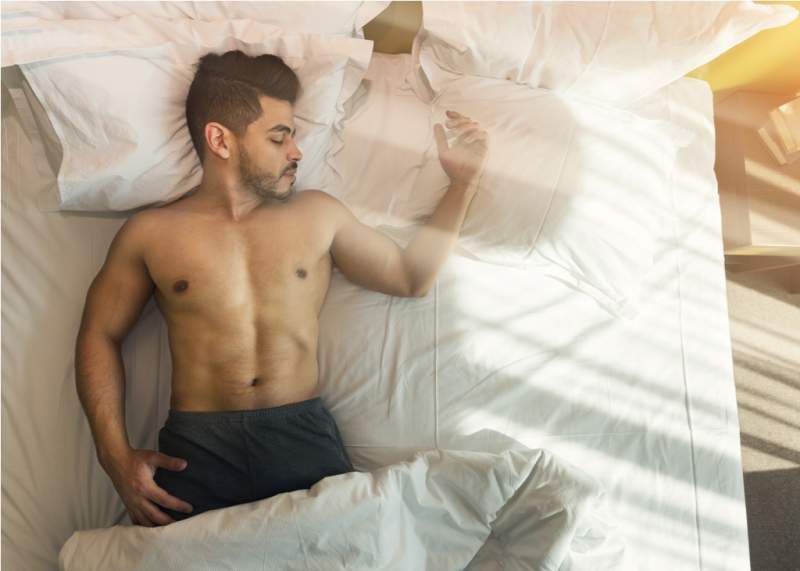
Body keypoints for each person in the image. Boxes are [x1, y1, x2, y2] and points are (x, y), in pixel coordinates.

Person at [74, 50, 489, 527]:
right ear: (219, 140)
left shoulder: (316, 214)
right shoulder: (151, 234)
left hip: (301, 440)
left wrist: (463, 185)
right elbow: (98, 335)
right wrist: (114, 457)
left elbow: (410, 277)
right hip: (196, 452)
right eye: (279, 137)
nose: (296, 151)